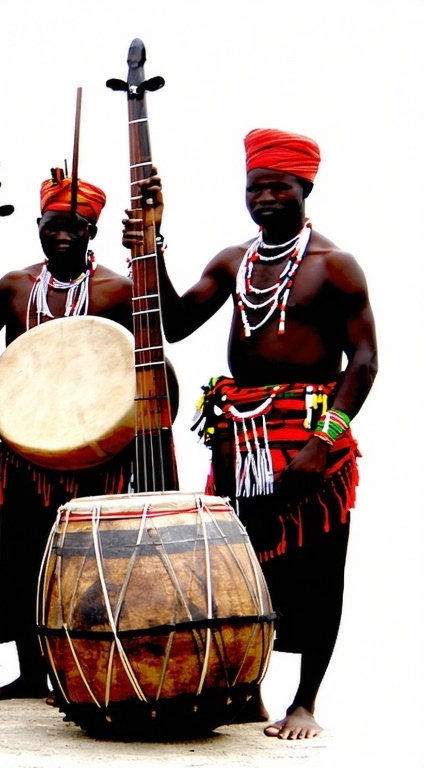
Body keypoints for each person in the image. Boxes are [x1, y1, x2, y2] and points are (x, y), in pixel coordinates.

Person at [135, 129, 376, 740]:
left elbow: (365, 361)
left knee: (319, 570)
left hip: (308, 434)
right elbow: (176, 322)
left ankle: (305, 702)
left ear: (305, 189)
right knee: (236, 567)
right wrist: (151, 244)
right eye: (255, 188)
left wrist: (325, 441)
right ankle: (248, 691)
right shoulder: (233, 261)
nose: (265, 197)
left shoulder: (335, 266)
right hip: (240, 434)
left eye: (279, 187)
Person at [0, 171, 135, 702]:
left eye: (76, 226)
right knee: (24, 556)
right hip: (27, 450)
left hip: (95, 450)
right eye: (54, 224)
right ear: (38, 224)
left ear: (92, 232)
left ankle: (81, 672)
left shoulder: (117, 289)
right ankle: (30, 675)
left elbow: (141, 361)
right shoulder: (15, 285)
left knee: (89, 563)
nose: (63, 235)